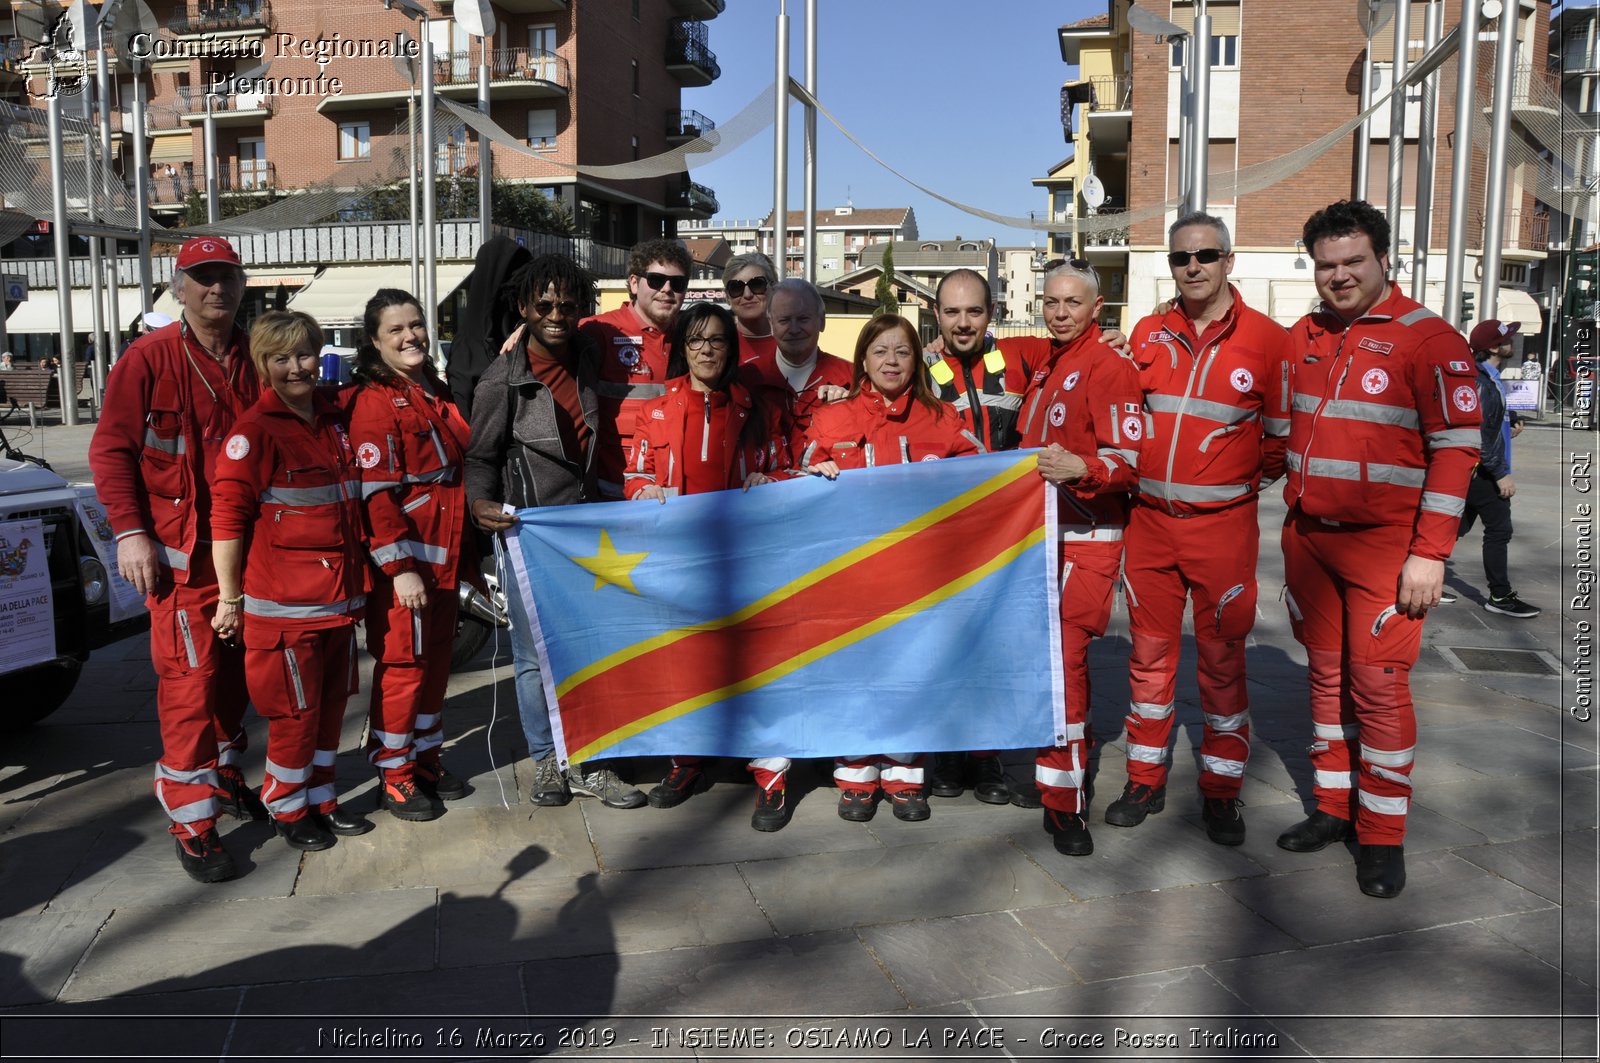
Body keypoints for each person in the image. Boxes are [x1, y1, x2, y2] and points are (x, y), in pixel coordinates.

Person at [1276, 200, 1480, 899]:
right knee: (1326, 681)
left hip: (1386, 551)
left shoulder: (1430, 340)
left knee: (1380, 689)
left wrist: (1431, 553)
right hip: (1310, 542)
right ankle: (1334, 808)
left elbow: (1457, 448)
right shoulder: (1304, 333)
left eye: (1352, 262)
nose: (1338, 276)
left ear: (1383, 259)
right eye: (1326, 265)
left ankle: (1383, 835)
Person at [1110, 212, 1293, 847]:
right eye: (1181, 257)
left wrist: (1226, 488)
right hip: (1150, 526)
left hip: (1223, 531)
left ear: (1229, 260)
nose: (1193, 266)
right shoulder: (1147, 333)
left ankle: (1221, 791)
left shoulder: (1270, 342)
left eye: (1206, 255)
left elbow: (1277, 444)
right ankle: (1144, 779)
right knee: (1149, 661)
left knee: (1221, 663)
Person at [88, 237, 263, 884]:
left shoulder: (256, 355)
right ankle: (193, 822)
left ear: (242, 284)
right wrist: (129, 533)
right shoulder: (147, 359)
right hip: (182, 560)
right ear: (179, 286)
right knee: (189, 687)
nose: (216, 287)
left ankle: (220, 774)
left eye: (227, 276)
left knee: (235, 684)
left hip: (249, 556)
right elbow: (109, 451)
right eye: (203, 277)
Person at [466, 253, 647, 811]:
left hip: (588, 531)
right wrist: (478, 503)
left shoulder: (590, 355)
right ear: (523, 307)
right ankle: (547, 760)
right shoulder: (503, 379)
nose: (556, 313)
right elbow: (480, 457)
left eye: (567, 304)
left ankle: (590, 760)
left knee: (590, 651)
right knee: (532, 657)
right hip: (529, 535)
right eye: (543, 304)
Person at [803, 314, 985, 824]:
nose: (890, 362)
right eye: (880, 351)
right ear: (862, 358)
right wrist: (811, 474)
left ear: (917, 360)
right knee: (854, 673)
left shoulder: (942, 418)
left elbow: (984, 474)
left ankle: (905, 773)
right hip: (850, 578)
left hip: (918, 578)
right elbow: (794, 478)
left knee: (911, 672)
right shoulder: (832, 419)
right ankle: (856, 773)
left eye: (902, 352)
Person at [209, 310, 374, 854]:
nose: (296, 367)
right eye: (281, 358)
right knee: (295, 717)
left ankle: (322, 796)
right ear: (262, 366)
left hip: (337, 605)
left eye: (304, 354)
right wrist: (229, 600)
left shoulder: (332, 420)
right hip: (285, 614)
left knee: (330, 713)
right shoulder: (253, 434)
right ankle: (287, 804)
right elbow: (227, 522)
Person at [624, 302, 791, 829]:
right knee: (685, 664)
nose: (707, 349)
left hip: (746, 563)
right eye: (696, 340)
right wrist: (642, 490)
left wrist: (772, 482)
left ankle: (770, 772)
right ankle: (687, 762)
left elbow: (786, 469)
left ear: (731, 346)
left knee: (758, 665)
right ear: (682, 348)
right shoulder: (655, 408)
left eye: (717, 339)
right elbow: (633, 475)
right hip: (680, 564)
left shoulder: (756, 408)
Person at [1008, 263, 1141, 857]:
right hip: (1040, 539)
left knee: (1065, 669)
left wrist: (1083, 469)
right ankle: (1048, 779)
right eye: (1051, 302)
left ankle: (1066, 806)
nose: (1060, 313)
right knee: (1045, 668)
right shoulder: (1047, 361)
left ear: (1097, 309)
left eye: (1072, 303)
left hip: (1087, 541)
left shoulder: (1109, 367)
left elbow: (1131, 460)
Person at [347, 289, 475, 823]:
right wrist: (399, 570)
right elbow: (376, 494)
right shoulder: (375, 400)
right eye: (396, 330)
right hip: (411, 567)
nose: (411, 337)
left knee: (435, 665)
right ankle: (394, 774)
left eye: (416, 325)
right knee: (403, 666)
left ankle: (424, 758)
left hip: (447, 557)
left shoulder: (433, 388)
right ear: (376, 343)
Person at [923, 268, 1049, 805]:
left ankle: (990, 757)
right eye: (952, 312)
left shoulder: (1024, 356)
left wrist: (1122, 335)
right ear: (937, 316)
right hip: (946, 538)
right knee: (949, 646)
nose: (963, 322)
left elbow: (1079, 344)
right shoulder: (921, 367)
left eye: (974, 311)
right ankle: (949, 753)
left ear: (991, 312)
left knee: (1000, 649)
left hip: (1007, 535)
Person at [580, 239, 691, 499]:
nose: (666, 289)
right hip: (611, 492)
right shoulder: (599, 331)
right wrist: (525, 331)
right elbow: (550, 340)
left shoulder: (693, 337)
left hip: (670, 495)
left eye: (677, 283)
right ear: (633, 283)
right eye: (655, 280)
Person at [1448, 319, 1540, 619]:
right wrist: (1501, 473)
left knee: (1452, 528)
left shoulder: (1489, 377)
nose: (1512, 341)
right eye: (1507, 339)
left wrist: (1508, 421)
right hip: (1483, 470)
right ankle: (1500, 595)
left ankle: (1410, 577)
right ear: (1493, 347)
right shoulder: (1483, 380)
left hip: (1478, 467)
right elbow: (1479, 434)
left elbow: (1489, 421)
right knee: (1499, 530)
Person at [738, 278, 852, 455]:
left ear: (822, 321)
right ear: (771, 324)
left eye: (803, 319)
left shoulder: (851, 379)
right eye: (784, 320)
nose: (794, 329)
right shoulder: (747, 380)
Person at [723, 252, 779, 365]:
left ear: (773, 288)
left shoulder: (793, 339)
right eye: (736, 287)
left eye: (757, 284)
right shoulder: (719, 345)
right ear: (727, 296)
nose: (747, 294)